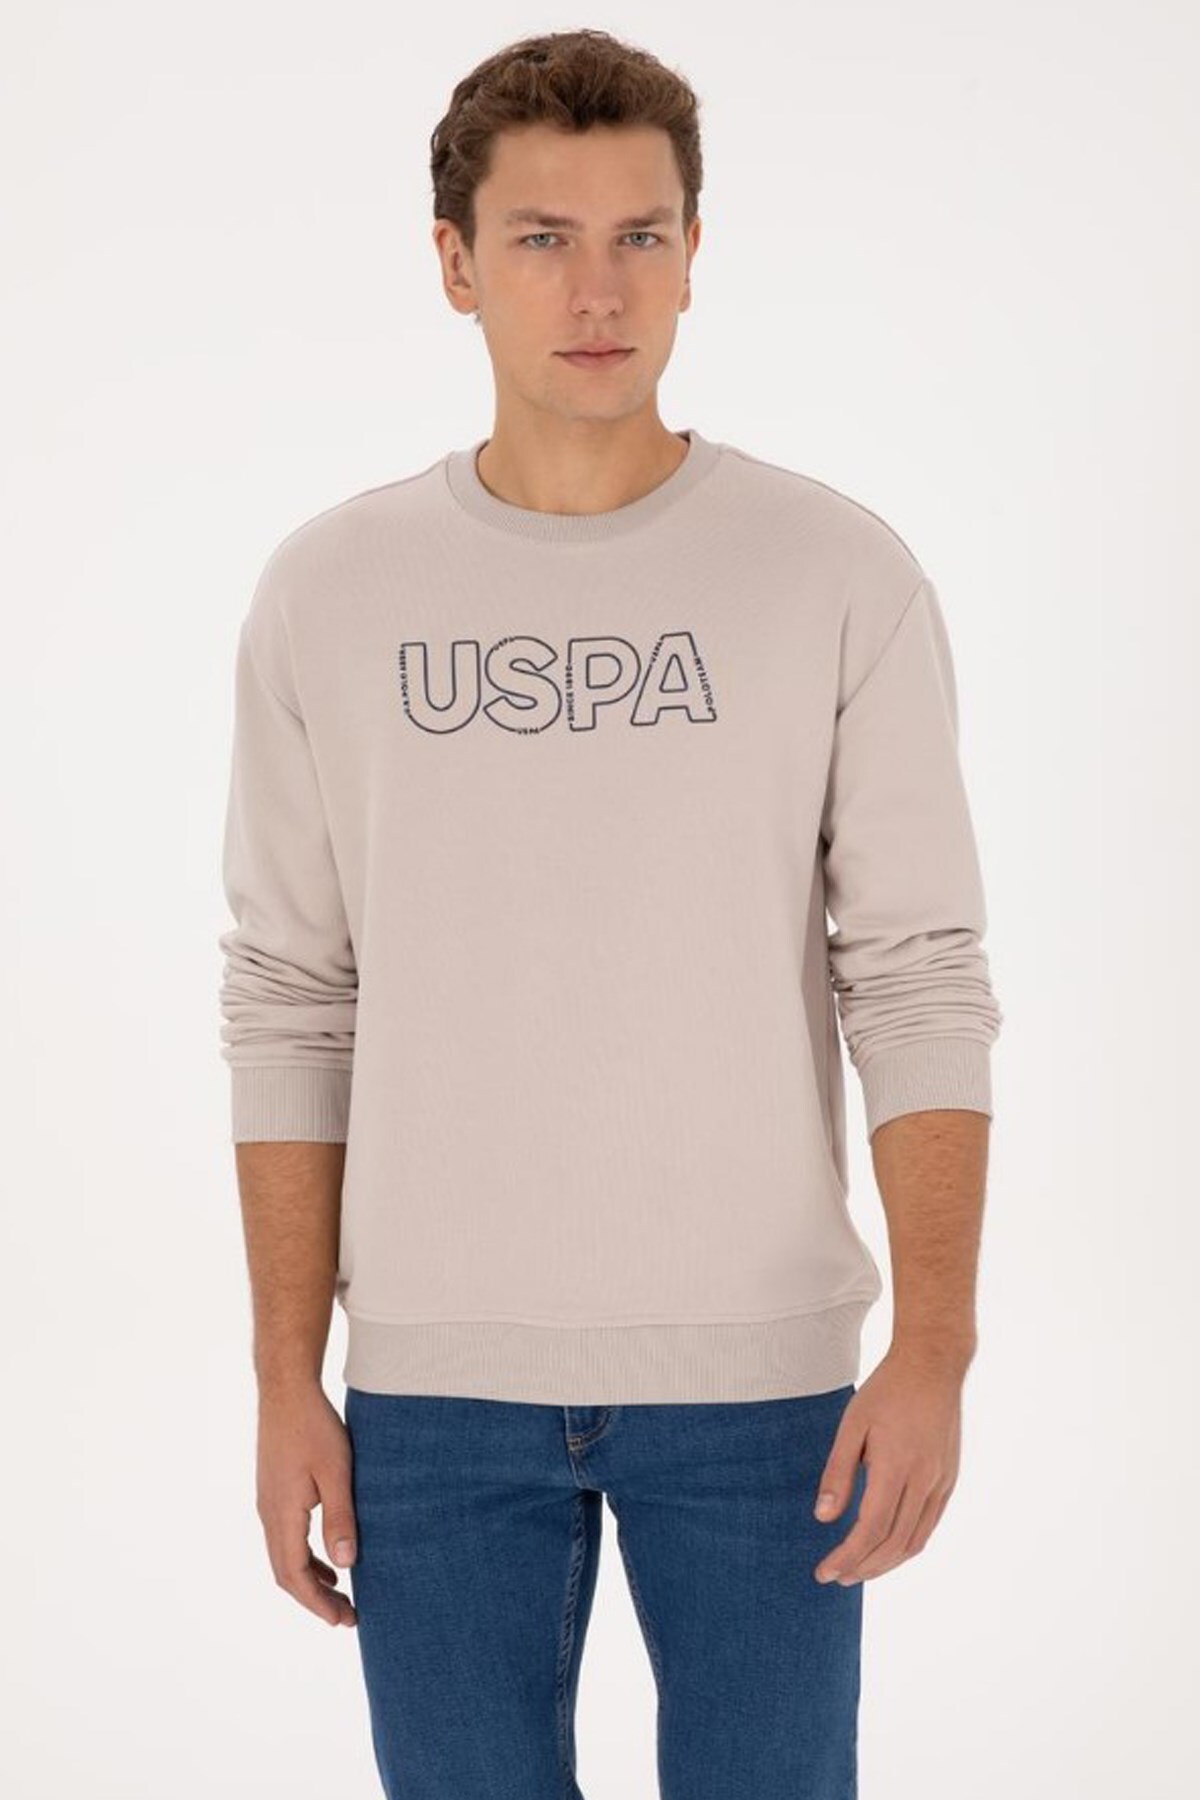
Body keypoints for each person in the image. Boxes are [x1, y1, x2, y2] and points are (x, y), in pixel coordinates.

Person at [217, 26, 1003, 1800]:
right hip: (431, 1394)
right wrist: (285, 1378)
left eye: (642, 235)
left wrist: (937, 1345)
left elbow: (917, 977)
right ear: (454, 263)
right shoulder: (332, 592)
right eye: (542, 239)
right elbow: (290, 994)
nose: (598, 290)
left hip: (767, 1390)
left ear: (695, 255)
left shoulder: (834, 575)